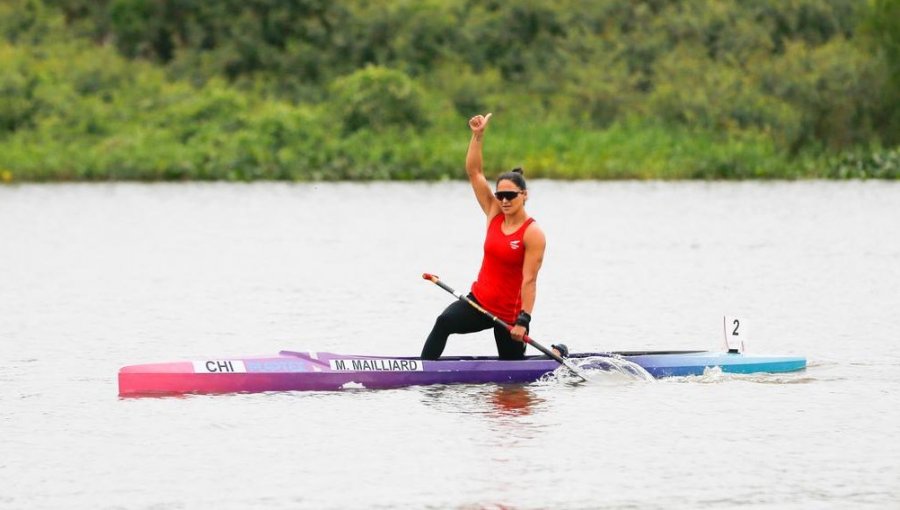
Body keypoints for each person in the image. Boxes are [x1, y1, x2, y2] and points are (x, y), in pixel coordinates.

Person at [421, 113, 564, 360]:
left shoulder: (533, 233)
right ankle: (421, 372)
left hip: (510, 316)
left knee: (514, 381)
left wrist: (523, 320)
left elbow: (529, 281)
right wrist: (477, 136)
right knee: (443, 322)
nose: (505, 201)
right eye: (501, 196)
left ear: (525, 195)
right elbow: (475, 172)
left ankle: (557, 353)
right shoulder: (494, 213)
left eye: (511, 196)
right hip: (478, 303)